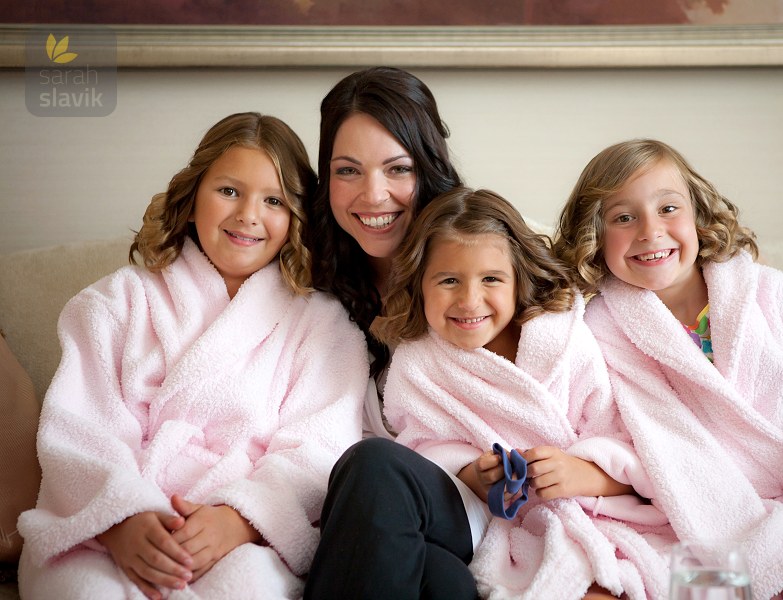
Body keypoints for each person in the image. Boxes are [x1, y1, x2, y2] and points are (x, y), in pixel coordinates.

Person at [16, 112, 370, 600]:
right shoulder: (116, 302)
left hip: (238, 533)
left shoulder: (322, 325)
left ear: (296, 219)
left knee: (250, 587)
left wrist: (241, 518)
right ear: (191, 199)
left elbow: (319, 445)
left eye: (273, 201)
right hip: (112, 523)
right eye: (229, 191)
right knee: (85, 591)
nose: (248, 214)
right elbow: (79, 425)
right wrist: (121, 517)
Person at [554, 139, 783, 600]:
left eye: (668, 208)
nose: (650, 231)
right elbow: (667, 453)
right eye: (623, 218)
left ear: (698, 214)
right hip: (705, 519)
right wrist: (771, 556)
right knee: (639, 576)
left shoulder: (771, 296)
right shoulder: (601, 333)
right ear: (595, 237)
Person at [372, 187, 670, 600]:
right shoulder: (419, 364)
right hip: (504, 527)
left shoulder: (564, 337)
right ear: (420, 283)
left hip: (600, 509)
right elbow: (422, 452)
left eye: (491, 279)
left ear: (518, 280)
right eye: (449, 280)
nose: (469, 301)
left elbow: (628, 441)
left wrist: (581, 472)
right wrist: (473, 475)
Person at [302, 67, 478, 600]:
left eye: (397, 168)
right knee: (442, 582)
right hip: (370, 514)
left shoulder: (479, 266)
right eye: (348, 170)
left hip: (472, 496)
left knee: (377, 466)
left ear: (429, 168)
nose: (373, 195)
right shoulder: (307, 286)